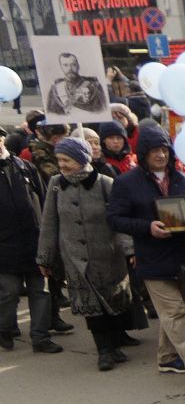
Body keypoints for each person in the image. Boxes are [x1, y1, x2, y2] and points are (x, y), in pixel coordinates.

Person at [107, 124, 185, 382]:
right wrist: (147, 227)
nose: (161, 155)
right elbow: (114, 218)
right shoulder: (126, 183)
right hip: (152, 257)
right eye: (155, 150)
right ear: (143, 153)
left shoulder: (183, 179)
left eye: (165, 150)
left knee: (178, 311)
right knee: (175, 311)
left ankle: (167, 358)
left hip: (182, 255)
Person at [35, 137, 135, 370]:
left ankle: (116, 343)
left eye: (67, 159)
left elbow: (120, 221)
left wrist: (130, 250)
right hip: (75, 258)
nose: (62, 164)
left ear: (82, 159)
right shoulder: (56, 185)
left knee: (113, 302)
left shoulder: (105, 183)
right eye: (59, 159)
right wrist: (45, 257)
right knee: (92, 305)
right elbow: (49, 223)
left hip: (108, 256)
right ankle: (104, 351)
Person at [0, 131, 52, 353]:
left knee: (41, 292)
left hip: (34, 242)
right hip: (4, 248)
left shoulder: (24, 166)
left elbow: (43, 198)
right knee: (9, 293)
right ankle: (4, 329)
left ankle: (40, 338)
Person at [46, 51, 107, 117]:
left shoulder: (93, 86)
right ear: (61, 67)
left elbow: (101, 111)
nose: (70, 68)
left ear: (78, 66)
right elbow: (51, 113)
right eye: (65, 65)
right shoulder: (55, 89)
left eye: (73, 64)